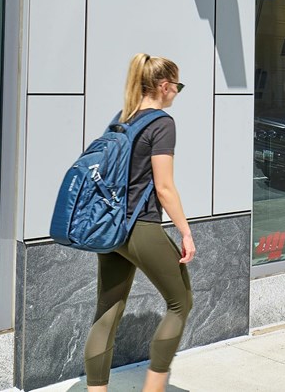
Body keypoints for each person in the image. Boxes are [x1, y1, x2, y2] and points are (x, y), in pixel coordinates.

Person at [84, 54, 196, 392]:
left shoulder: (123, 119)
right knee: (181, 302)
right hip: (142, 227)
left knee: (108, 310)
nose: (177, 92)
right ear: (164, 86)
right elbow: (164, 187)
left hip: (112, 229)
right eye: (177, 85)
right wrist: (186, 232)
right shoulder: (162, 123)